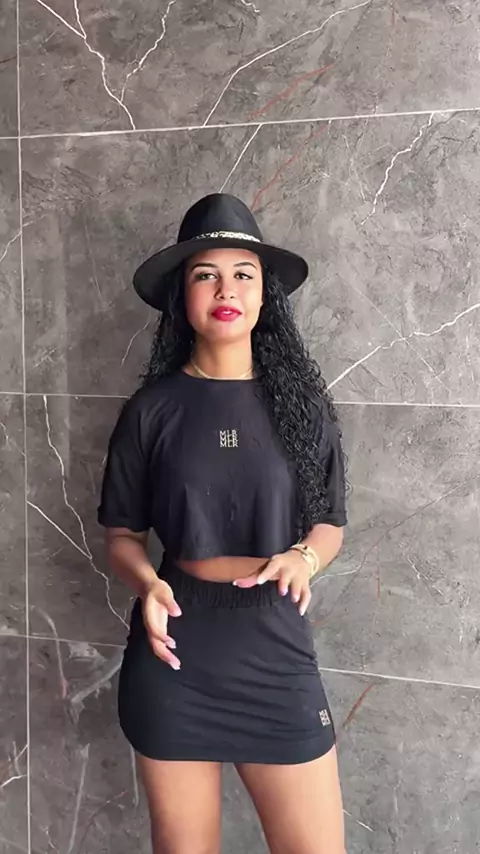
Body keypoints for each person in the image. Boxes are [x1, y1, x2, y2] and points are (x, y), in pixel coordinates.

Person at [98, 193, 348, 854]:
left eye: (243, 274)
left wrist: (304, 559)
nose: (226, 289)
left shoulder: (304, 408)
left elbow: (330, 523)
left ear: (266, 296)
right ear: (183, 297)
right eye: (205, 274)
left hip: (275, 654)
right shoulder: (151, 411)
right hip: (175, 657)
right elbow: (121, 535)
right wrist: (148, 584)